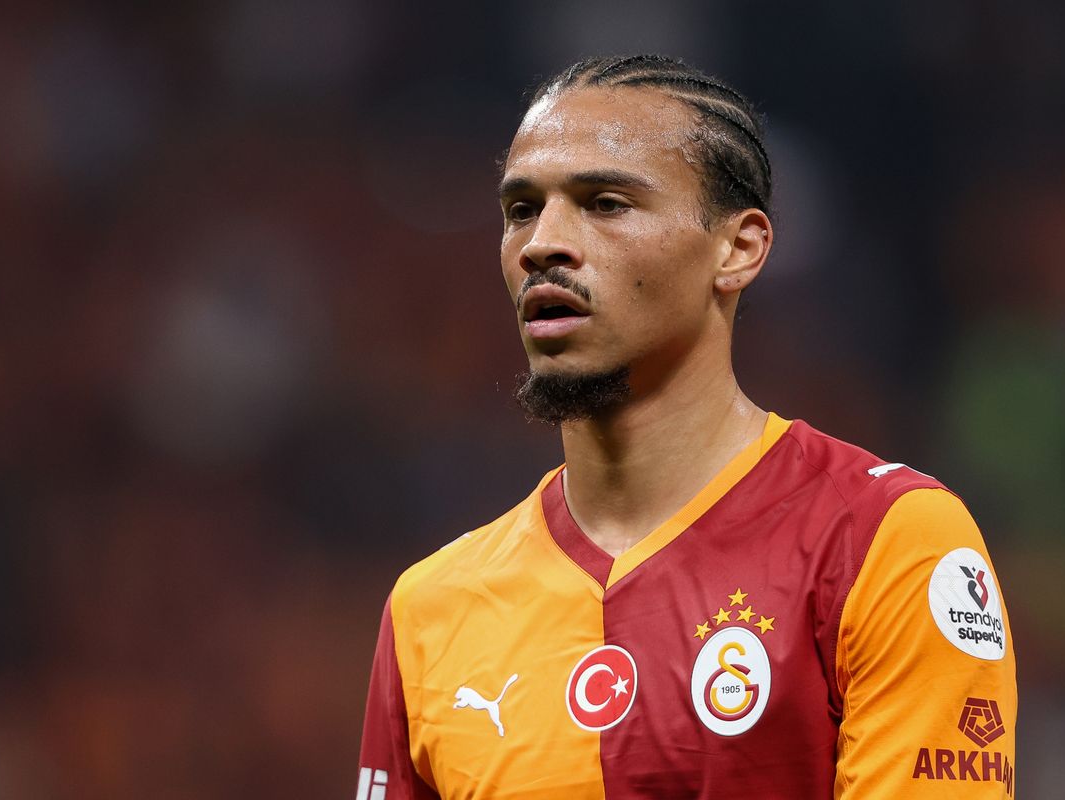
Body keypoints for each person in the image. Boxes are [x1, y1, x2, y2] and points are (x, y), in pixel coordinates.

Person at [357, 55, 1016, 799]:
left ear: (738, 249)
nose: (542, 242)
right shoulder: (431, 608)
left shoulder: (884, 540)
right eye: (521, 210)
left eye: (604, 202)